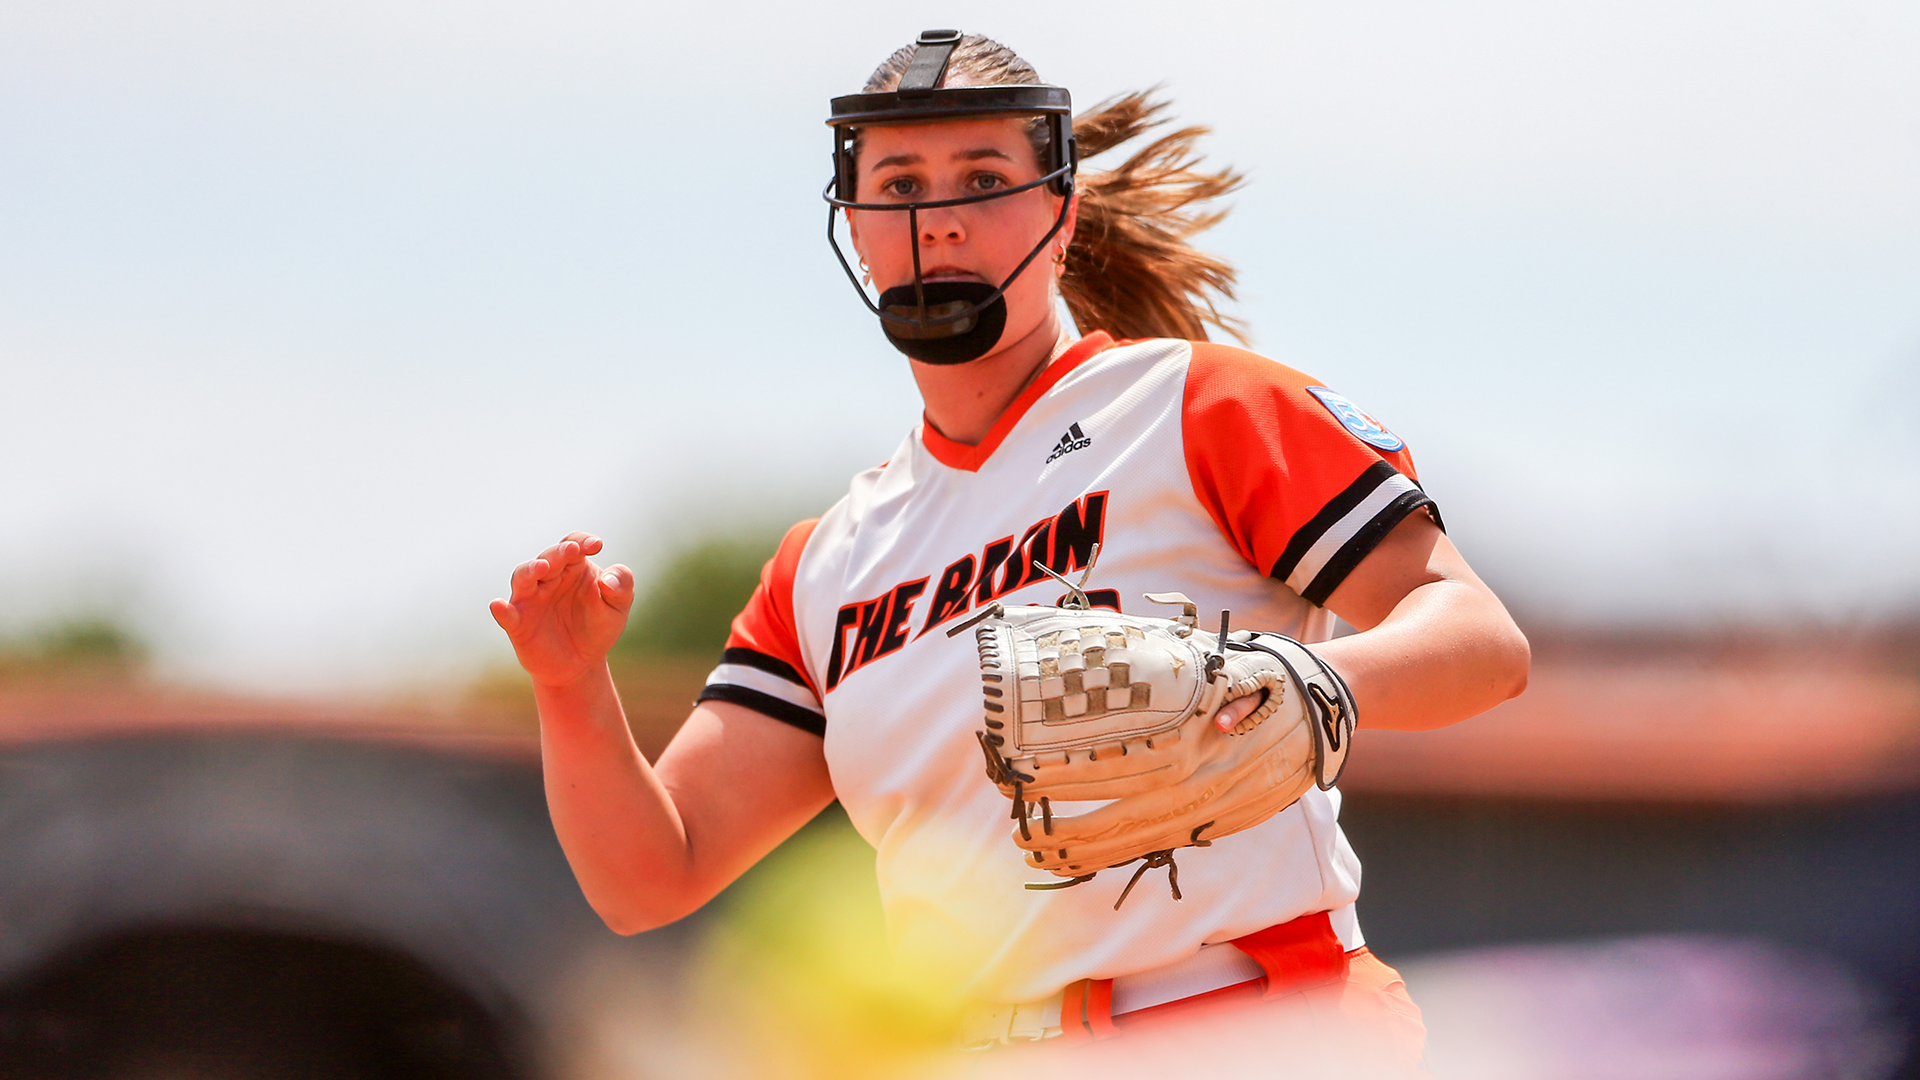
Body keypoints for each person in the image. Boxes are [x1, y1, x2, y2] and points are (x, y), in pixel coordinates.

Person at [490, 30, 1529, 1074]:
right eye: (898, 182)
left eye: (984, 178)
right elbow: (649, 876)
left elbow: (1480, 639)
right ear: (856, 226)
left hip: (1260, 1025)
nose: (937, 217)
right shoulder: (829, 563)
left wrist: (1289, 688)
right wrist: (571, 685)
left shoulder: (1193, 403)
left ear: (1061, 213)